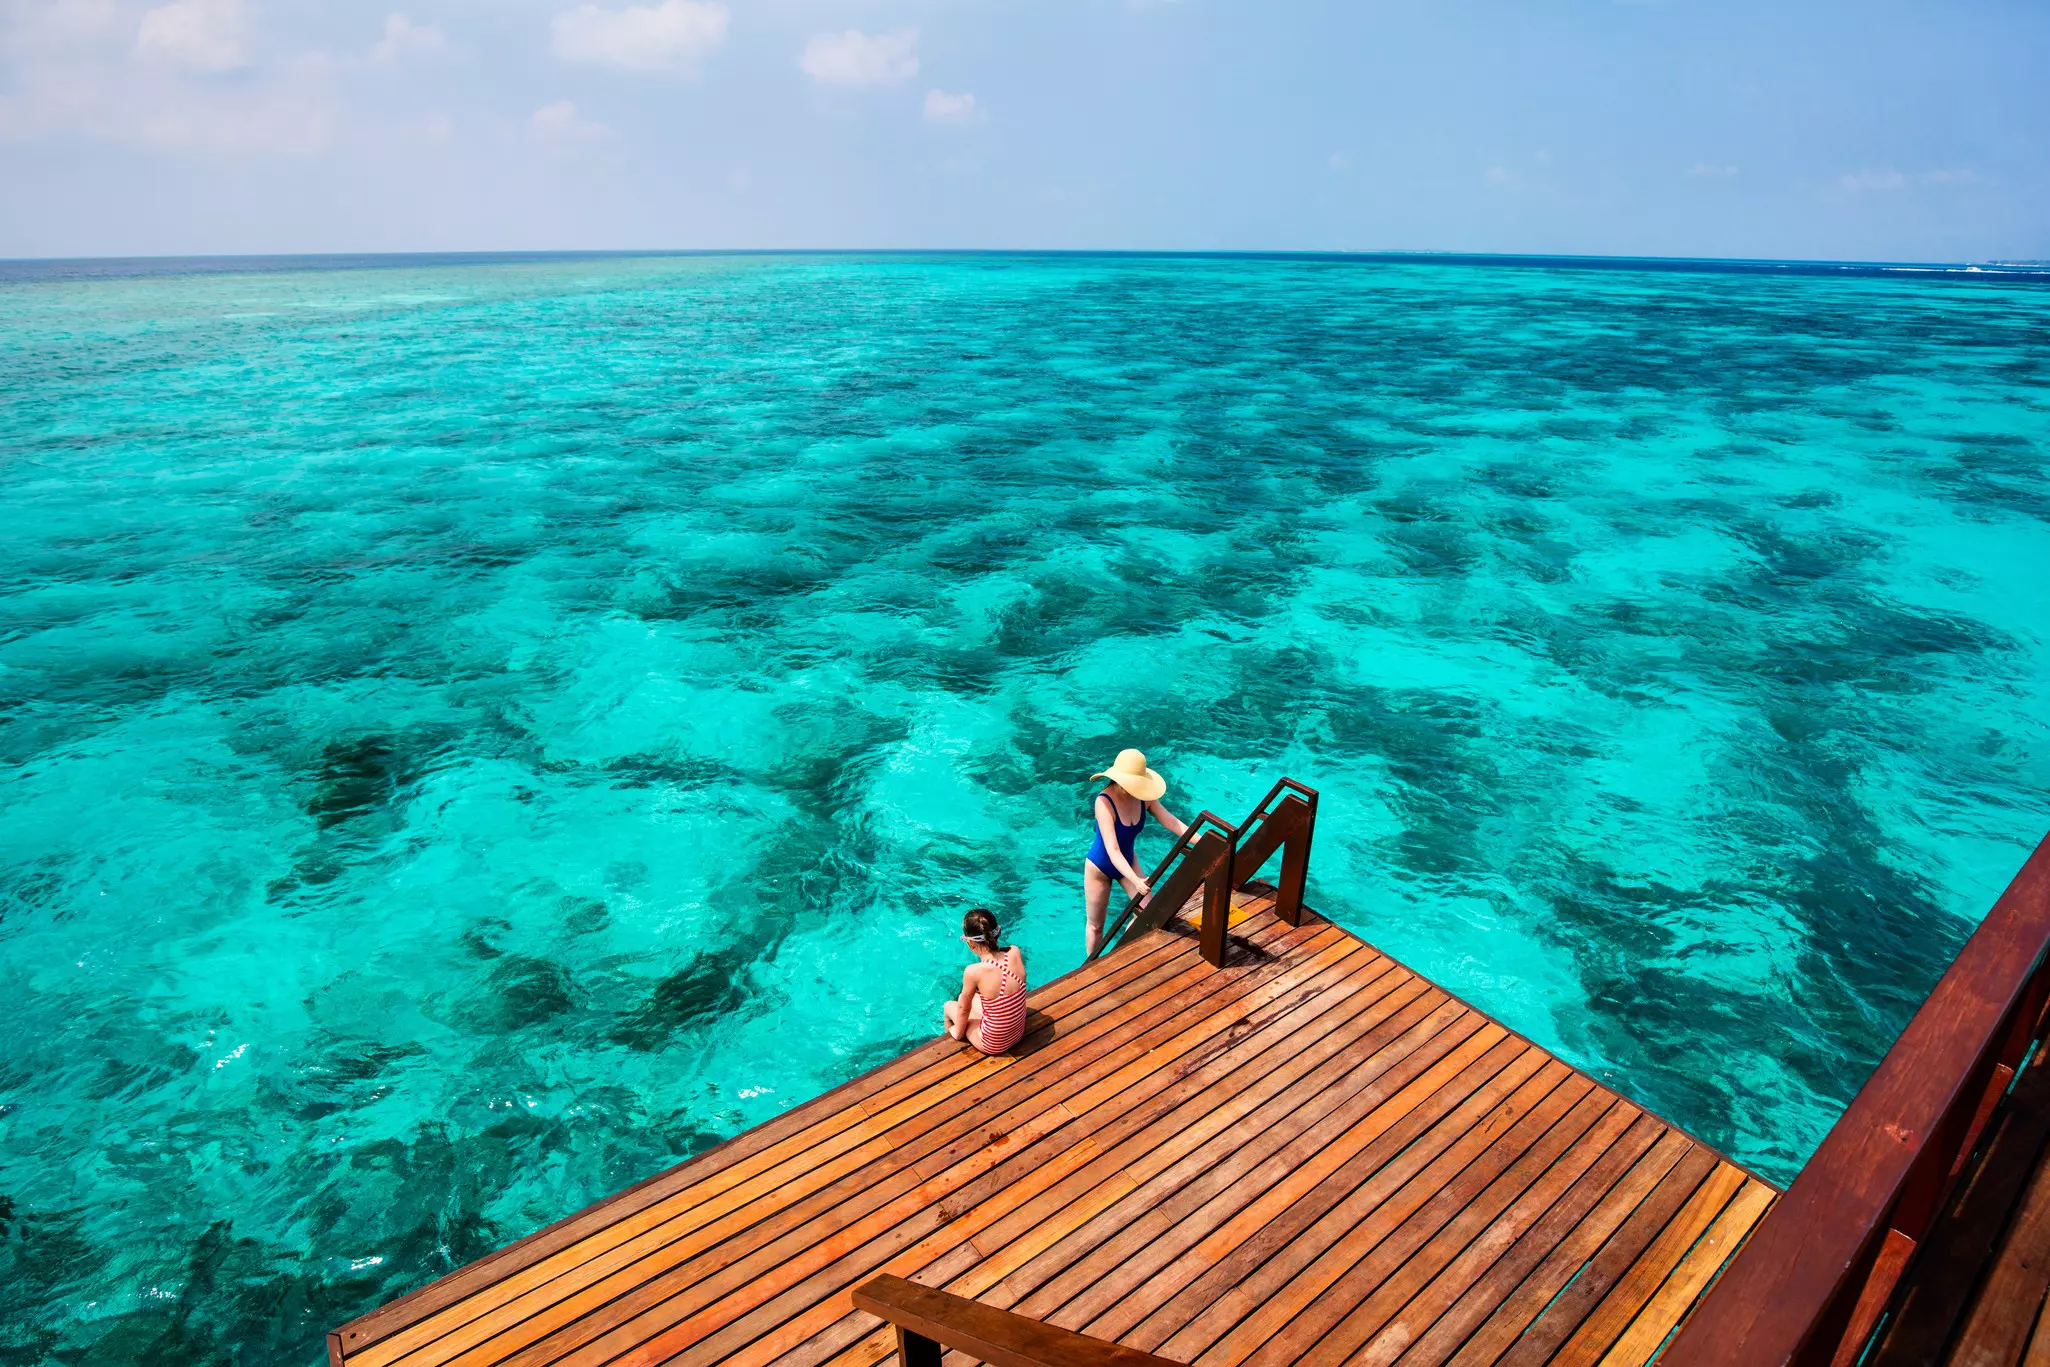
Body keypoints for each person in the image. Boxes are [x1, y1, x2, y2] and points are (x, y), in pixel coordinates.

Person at [1082, 747, 1188, 957]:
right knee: (1095, 926)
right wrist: (1136, 880)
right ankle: (1089, 969)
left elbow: (1171, 822)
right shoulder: (1104, 801)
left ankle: (1118, 956)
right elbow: (1112, 850)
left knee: (1147, 914)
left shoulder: (1143, 797)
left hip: (1128, 861)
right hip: (1100, 867)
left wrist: (1206, 839)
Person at [945, 908, 1028, 1055]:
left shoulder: (973, 972)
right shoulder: (1014, 951)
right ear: (998, 932)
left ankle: (951, 1052)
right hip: (1018, 1033)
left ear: (970, 944)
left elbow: (963, 1010)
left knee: (949, 1006)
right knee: (975, 998)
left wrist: (958, 1032)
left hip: (993, 1044)